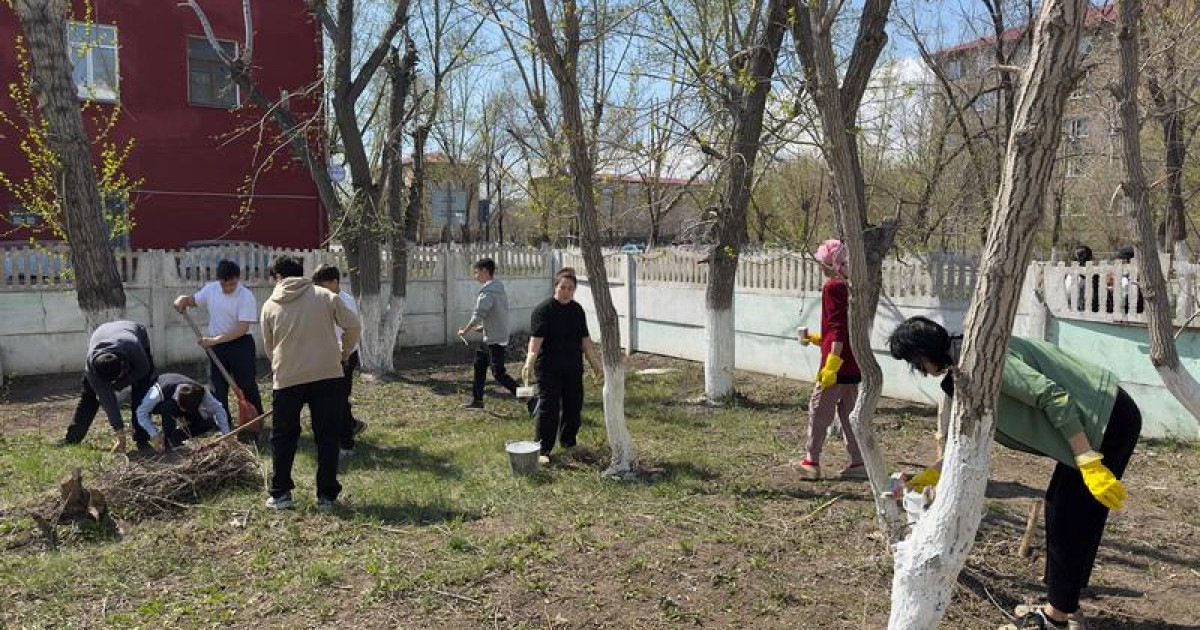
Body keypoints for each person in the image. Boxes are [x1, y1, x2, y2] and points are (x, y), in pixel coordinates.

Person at [887, 316, 1140, 630]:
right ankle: (1064, 606)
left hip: (1107, 420)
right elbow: (964, 440)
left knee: (1071, 517)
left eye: (914, 363)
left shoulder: (985, 361)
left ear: (923, 355)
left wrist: (1087, 458)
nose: (918, 371)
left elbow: (1052, 397)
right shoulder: (963, 372)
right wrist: (927, 475)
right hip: (1092, 423)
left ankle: (1056, 618)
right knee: (1062, 510)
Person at [260, 255, 361, 510]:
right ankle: (327, 496)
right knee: (327, 435)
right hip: (327, 374)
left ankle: (281, 493)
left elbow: (269, 347)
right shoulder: (325, 296)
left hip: (288, 378)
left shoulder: (270, 305)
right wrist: (343, 354)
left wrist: (282, 366)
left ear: (278, 277)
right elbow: (353, 326)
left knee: (283, 436)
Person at [793, 239, 866, 480]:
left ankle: (811, 462)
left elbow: (837, 328)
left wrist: (831, 365)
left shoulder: (832, 287)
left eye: (822, 261)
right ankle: (858, 462)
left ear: (830, 263)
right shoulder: (849, 286)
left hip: (837, 366)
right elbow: (842, 328)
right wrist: (817, 339)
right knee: (848, 415)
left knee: (818, 412)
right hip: (853, 364)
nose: (819, 266)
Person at [522, 268, 601, 464]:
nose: (566, 292)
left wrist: (595, 363)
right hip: (549, 368)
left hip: (573, 366)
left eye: (570, 288)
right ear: (555, 287)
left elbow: (585, 340)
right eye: (562, 287)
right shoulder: (543, 310)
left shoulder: (577, 310)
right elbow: (536, 340)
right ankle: (543, 449)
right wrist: (529, 362)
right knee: (549, 408)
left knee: (574, 405)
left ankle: (568, 442)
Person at [172, 259, 264, 425]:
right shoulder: (211, 289)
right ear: (218, 280)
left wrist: (213, 341)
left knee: (246, 384)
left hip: (240, 344)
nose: (228, 288)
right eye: (224, 284)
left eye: (231, 284)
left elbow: (242, 328)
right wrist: (182, 299)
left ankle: (255, 420)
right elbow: (193, 301)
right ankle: (222, 422)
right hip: (217, 348)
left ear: (237, 278)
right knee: (217, 387)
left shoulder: (246, 296)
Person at [59, 320, 157, 452]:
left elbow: (144, 369)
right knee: (89, 396)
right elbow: (107, 400)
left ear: (123, 364)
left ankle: (142, 440)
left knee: (142, 392)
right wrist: (119, 433)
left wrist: (120, 384)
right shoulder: (91, 369)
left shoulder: (133, 346)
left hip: (134, 332)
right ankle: (72, 438)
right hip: (103, 331)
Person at [312, 264, 367, 456]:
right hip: (326, 355)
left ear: (334, 283)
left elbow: (351, 331)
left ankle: (346, 443)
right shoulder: (319, 300)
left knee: (340, 399)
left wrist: (343, 355)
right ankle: (351, 425)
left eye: (322, 284)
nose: (319, 288)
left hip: (345, 355)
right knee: (333, 398)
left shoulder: (345, 301)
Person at [458, 257, 519, 410]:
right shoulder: (498, 289)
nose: (475, 275)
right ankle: (477, 401)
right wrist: (483, 328)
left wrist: (465, 331)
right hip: (491, 336)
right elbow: (496, 314)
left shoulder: (488, 292)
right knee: (479, 365)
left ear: (485, 271)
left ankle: (531, 398)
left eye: (477, 272)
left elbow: (478, 315)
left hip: (495, 339)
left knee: (499, 374)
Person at [135, 373, 231, 452]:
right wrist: (155, 434)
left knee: (208, 423)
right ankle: (167, 440)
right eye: (183, 408)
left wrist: (226, 434)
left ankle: (175, 438)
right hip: (164, 403)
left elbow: (218, 409)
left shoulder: (200, 391)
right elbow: (141, 412)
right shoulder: (159, 391)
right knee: (168, 406)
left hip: (188, 405)